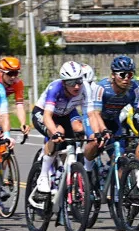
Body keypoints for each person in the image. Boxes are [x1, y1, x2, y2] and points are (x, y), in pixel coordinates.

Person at [31, 61, 95, 200]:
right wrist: (55, 132)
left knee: (71, 144)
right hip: (43, 113)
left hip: (65, 113)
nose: (77, 86)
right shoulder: (55, 88)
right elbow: (47, 116)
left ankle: (63, 174)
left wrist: (92, 136)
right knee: (58, 132)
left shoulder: (85, 89)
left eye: (79, 81)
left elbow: (89, 115)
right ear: (64, 82)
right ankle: (43, 176)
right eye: (72, 83)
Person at [92, 56, 139, 181]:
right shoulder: (102, 88)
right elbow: (95, 114)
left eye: (130, 75)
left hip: (113, 121)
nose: (126, 78)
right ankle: (86, 172)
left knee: (119, 157)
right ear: (113, 75)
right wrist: (103, 130)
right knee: (93, 144)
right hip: (96, 120)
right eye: (122, 74)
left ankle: (118, 195)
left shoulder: (135, 90)